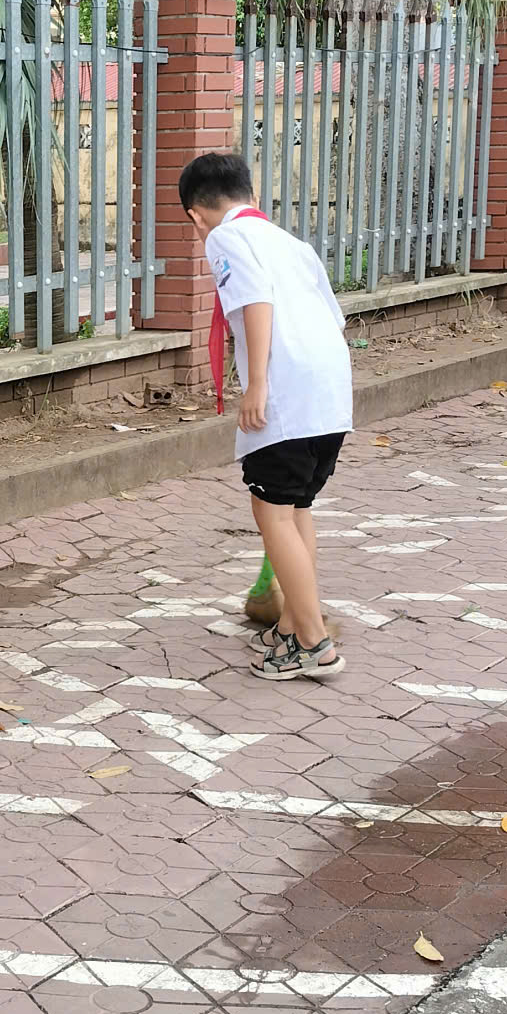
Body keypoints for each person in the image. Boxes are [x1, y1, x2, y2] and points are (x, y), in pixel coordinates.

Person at [179, 148, 352, 680]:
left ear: (196, 216)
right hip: (330, 395)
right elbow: (333, 317)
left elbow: (255, 303)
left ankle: (315, 645)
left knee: (272, 514)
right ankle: (295, 626)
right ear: (252, 195)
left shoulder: (225, 237)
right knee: (297, 510)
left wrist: (256, 384)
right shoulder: (290, 242)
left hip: (286, 395)